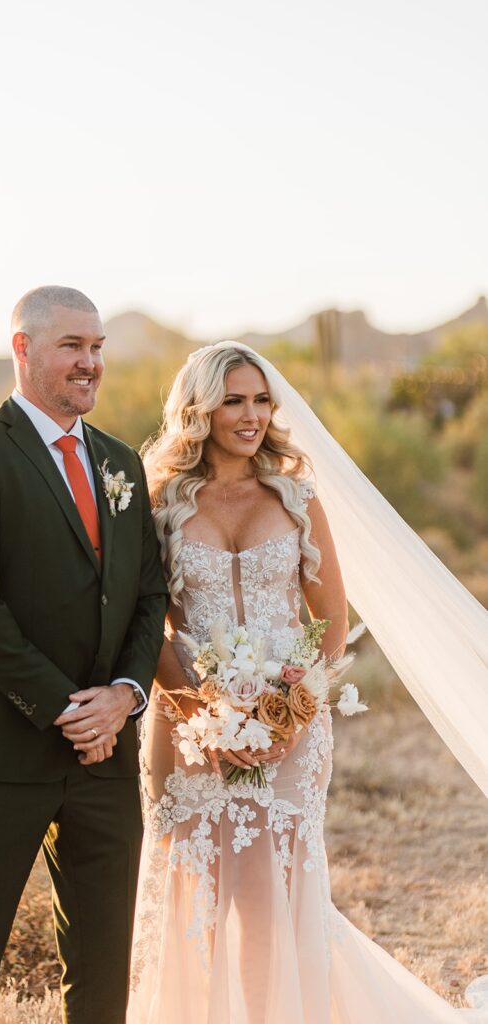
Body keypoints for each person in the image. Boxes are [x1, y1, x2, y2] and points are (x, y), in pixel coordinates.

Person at [127, 341, 488, 1023]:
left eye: (260, 399)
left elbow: (327, 619)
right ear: (198, 407)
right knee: (193, 899)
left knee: (271, 902)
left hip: (289, 727)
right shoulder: (159, 502)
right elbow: (151, 628)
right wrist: (204, 715)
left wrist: (283, 715)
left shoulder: (294, 495)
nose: (251, 414)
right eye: (233, 399)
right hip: (185, 727)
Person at [0, 285, 168, 1024]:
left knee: (100, 970)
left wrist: (124, 695)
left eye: (97, 349)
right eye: (72, 347)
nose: (90, 363)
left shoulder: (121, 461)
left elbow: (148, 595)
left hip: (105, 758)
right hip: (0, 752)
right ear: (22, 349)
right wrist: (64, 707)